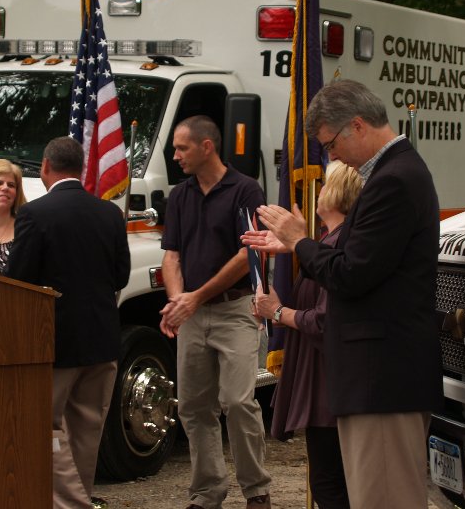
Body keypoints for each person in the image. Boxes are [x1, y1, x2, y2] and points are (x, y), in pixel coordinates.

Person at [243, 80, 444, 509]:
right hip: (378, 378)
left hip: (383, 379)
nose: (332, 157)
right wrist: (299, 246)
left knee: (384, 500)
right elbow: (361, 260)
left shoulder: (394, 180)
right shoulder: (392, 175)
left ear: (357, 125)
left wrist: (300, 241)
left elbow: (352, 274)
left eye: (331, 145)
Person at [5, 136, 130, 509]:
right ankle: (80, 494)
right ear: (82, 168)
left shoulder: (34, 214)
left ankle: (72, 503)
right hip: (102, 338)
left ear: (45, 166)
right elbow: (121, 276)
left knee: (42, 425)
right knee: (87, 428)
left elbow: (19, 278)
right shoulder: (110, 213)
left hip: (54, 340)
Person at [159, 115, 272, 509]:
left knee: (238, 401)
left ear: (206, 146)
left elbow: (248, 254)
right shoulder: (179, 195)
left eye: (182, 148)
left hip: (236, 310)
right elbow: (171, 256)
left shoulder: (246, 189)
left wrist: (196, 297)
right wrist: (178, 302)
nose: (175, 156)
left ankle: (256, 490)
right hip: (193, 315)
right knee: (193, 407)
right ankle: (207, 493)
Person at [252, 160, 360, 509]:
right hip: (328, 382)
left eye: (325, 184)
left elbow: (325, 321)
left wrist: (277, 312)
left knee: (330, 485)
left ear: (339, 192)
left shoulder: (341, 244)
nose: (318, 191)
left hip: (331, 384)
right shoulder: (330, 241)